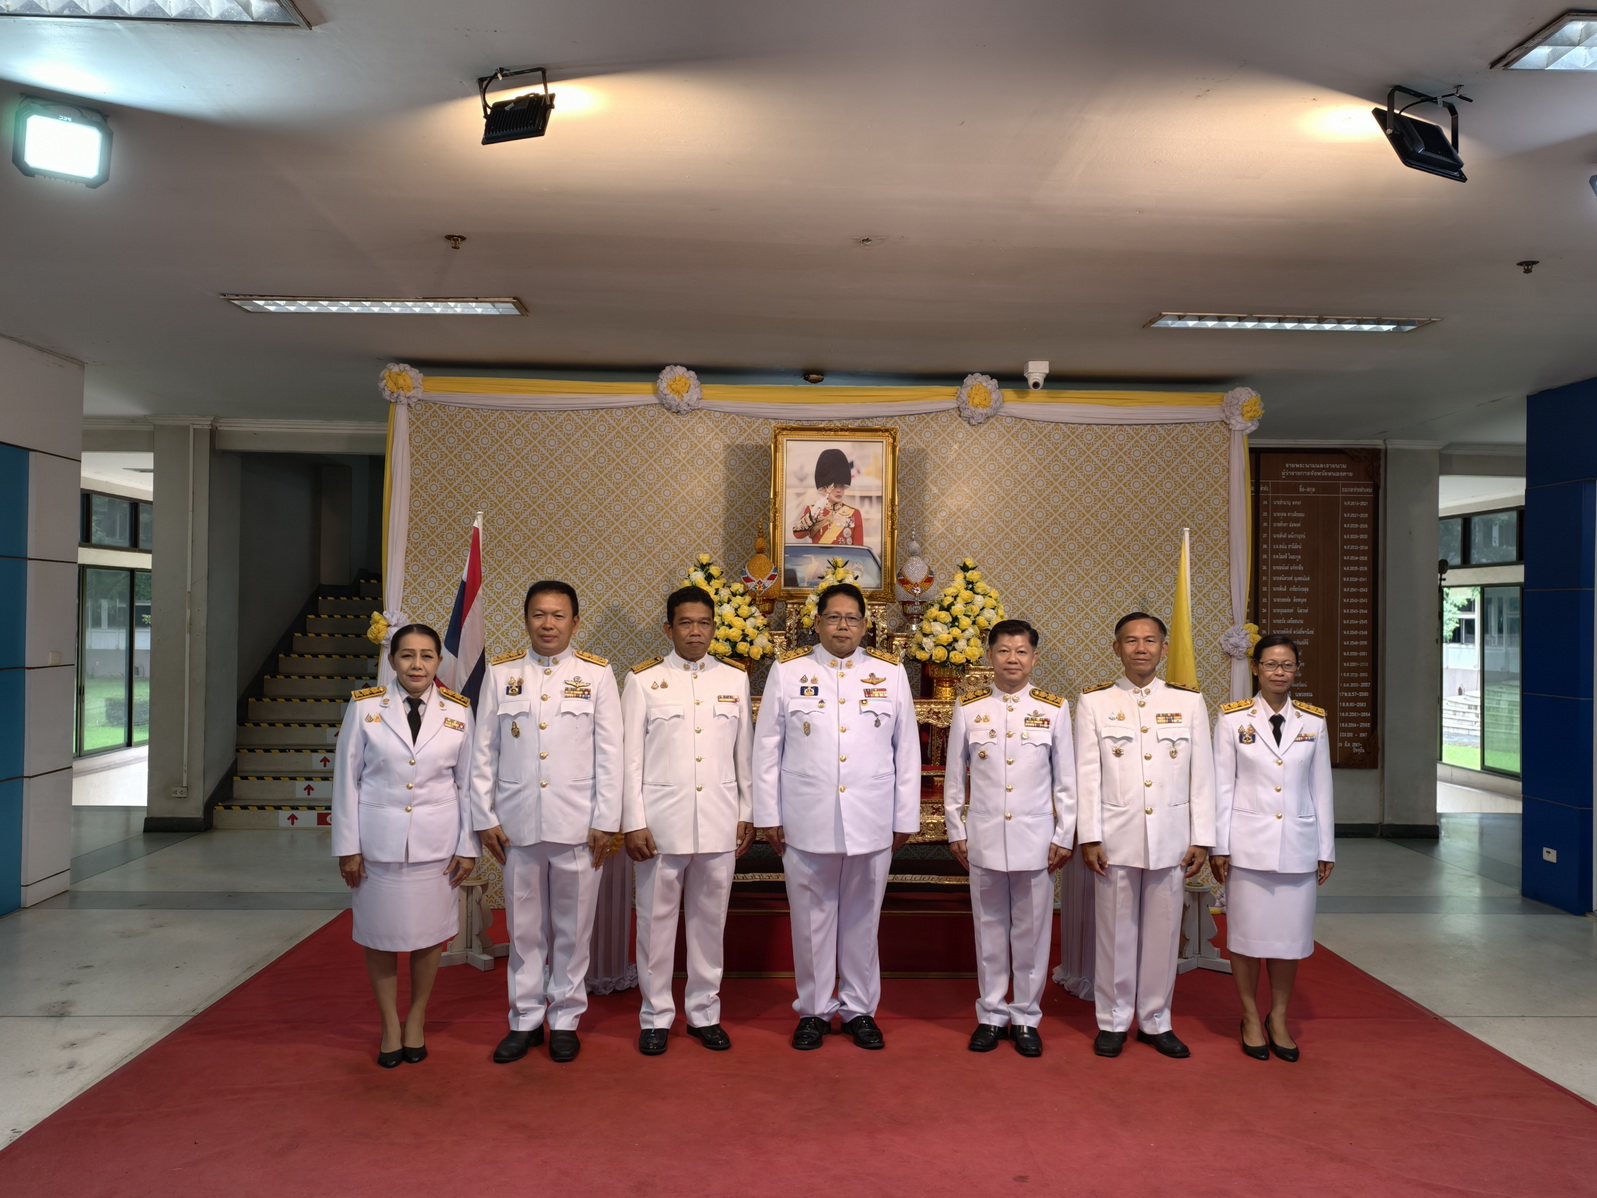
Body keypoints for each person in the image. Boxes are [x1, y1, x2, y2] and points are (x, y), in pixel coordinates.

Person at [753, 582, 921, 1050]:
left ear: (866, 626)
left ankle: (859, 1009)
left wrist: (904, 817)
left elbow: (905, 749)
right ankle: (813, 1010)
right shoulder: (788, 672)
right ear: (818, 622)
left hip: (871, 818)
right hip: (806, 819)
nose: (843, 626)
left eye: (852, 618)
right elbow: (767, 748)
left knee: (863, 920)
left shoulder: (889, 674)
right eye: (834, 617)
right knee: (811, 921)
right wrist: (768, 813)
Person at [469, 581, 621, 1065]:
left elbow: (611, 755)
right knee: (524, 928)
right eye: (539, 614)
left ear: (575, 622)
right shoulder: (501, 674)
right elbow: (483, 753)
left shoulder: (597, 675)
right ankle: (524, 1019)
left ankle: (567, 1019)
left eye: (558, 615)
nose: (548, 624)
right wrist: (484, 815)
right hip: (517, 825)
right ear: (526, 618)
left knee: (574, 930)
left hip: (578, 825)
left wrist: (606, 820)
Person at [332, 623, 477, 1068]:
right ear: (392, 660)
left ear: (438, 661)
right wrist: (348, 847)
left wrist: (467, 845)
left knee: (428, 937)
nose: (417, 664)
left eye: (427, 656)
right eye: (408, 655)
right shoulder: (365, 708)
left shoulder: (458, 711)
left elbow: (468, 785)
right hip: (377, 847)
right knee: (380, 937)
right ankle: (389, 1025)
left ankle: (415, 1019)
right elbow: (346, 780)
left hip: (436, 847)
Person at [1076, 612, 1215, 1059]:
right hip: (1114, 838)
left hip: (1172, 838)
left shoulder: (1190, 703)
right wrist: (1090, 836)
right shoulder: (1094, 702)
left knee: (1162, 932)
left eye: (1150, 640)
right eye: (1131, 641)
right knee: (1114, 932)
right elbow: (1087, 776)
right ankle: (1113, 1020)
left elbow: (1203, 778)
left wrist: (1202, 838)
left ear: (1163, 648)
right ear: (1116, 648)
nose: (1141, 648)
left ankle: (1156, 1020)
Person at [622, 586, 755, 1055]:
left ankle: (704, 1013)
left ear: (715, 627)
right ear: (668, 628)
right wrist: (633, 821)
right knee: (656, 926)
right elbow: (629, 761)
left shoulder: (734, 680)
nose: (696, 631)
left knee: (708, 924)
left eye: (704, 623)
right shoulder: (643, 681)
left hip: (718, 823)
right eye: (686, 623)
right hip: (660, 827)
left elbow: (745, 756)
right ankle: (656, 1016)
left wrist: (746, 811)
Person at [945, 619, 1075, 1057]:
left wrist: (1064, 833)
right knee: (989, 929)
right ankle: (990, 1014)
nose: (1012, 659)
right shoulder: (969, 707)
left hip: (1036, 838)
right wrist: (955, 827)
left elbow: (1066, 782)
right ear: (990, 656)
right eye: (1004, 651)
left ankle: (1025, 1016)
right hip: (983, 835)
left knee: (1032, 932)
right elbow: (953, 779)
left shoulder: (1054, 709)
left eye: (1021, 651)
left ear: (1034, 658)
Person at [1209, 634, 1334, 1063]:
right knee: (1245, 938)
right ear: (1256, 669)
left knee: (1289, 940)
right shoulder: (1231, 720)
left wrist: (1326, 848)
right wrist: (1218, 847)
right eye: (1271, 664)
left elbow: (1322, 788)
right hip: (1247, 849)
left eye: (1287, 665)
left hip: (1299, 847)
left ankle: (1278, 1018)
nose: (1279, 672)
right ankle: (1248, 1015)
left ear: (1297, 670)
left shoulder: (1313, 722)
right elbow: (1222, 787)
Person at [791, 447, 865, 547]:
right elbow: (798, 534)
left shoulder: (854, 514)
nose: (839, 490)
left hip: (845, 562)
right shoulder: (812, 511)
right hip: (819, 562)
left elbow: (859, 551)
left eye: (841, 486)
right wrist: (812, 514)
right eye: (834, 486)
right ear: (824, 489)